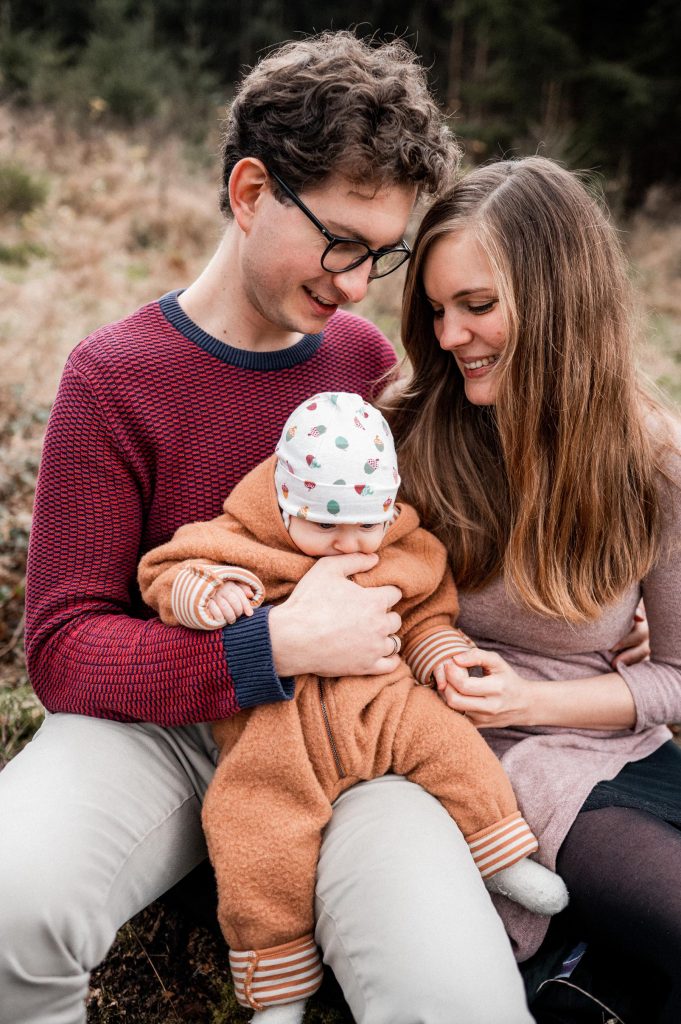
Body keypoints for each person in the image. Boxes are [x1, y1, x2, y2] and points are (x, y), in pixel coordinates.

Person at [0, 31, 540, 1024]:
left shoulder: (366, 360)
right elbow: (63, 648)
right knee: (8, 901)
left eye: (383, 253)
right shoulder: (114, 377)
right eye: (341, 240)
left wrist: (590, 610)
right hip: (155, 737)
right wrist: (267, 647)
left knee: (454, 998)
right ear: (251, 192)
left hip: (353, 734)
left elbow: (434, 538)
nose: (354, 281)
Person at [137, 390, 568, 1022]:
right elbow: (168, 570)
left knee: (454, 749)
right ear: (285, 502)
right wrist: (205, 594)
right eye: (322, 526)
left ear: (388, 507)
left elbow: (425, 614)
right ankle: (278, 985)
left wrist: (442, 654)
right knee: (255, 837)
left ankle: (502, 855)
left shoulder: (404, 545)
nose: (345, 544)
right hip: (277, 731)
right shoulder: (243, 541)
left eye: (364, 524)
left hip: (382, 704)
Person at [385, 154, 681, 1023]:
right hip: (494, 763)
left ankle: (590, 981)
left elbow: (674, 677)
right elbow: (367, 596)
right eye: (437, 311)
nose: (448, 337)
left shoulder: (651, 462)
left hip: (616, 747)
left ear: (561, 301)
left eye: (477, 307)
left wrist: (547, 692)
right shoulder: (407, 430)